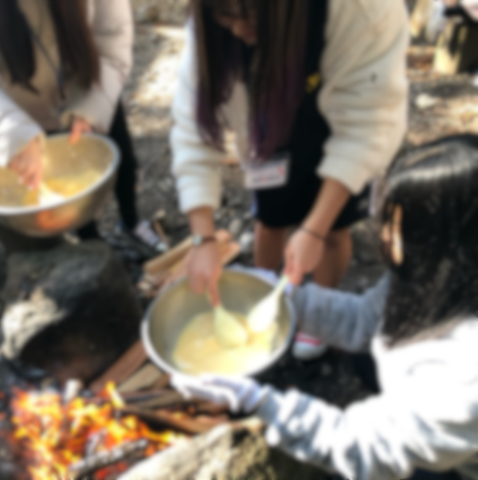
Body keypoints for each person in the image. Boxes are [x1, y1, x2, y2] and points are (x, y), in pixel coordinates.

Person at [173, 136, 478, 480]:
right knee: (365, 358)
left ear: (451, 246)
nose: (383, 235)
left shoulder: (465, 375)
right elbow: (365, 318)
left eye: (400, 228)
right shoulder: (435, 275)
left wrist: (263, 404)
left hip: (460, 464)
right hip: (440, 408)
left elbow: (363, 449)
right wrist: (284, 297)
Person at [171, 0, 409, 358]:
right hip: (269, 133)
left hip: (339, 125)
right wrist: (203, 237)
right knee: (270, 221)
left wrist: (314, 229)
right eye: (225, 16)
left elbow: (367, 125)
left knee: (333, 232)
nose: (239, 29)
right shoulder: (211, 27)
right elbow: (193, 130)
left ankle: (324, 315)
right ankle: (264, 300)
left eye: (253, 14)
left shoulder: (365, 11)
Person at [0, 0, 164, 252]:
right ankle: (93, 244)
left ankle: (131, 222)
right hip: (24, 115)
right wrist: (5, 131)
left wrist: (94, 102)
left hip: (93, 85)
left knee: (123, 162)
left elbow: (112, 37)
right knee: (71, 194)